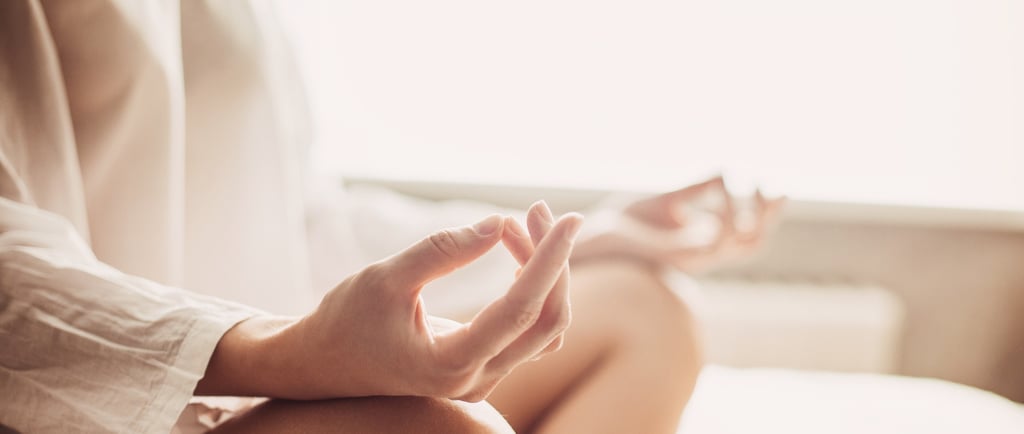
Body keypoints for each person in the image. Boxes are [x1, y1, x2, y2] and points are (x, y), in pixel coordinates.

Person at [0, 1, 783, 433]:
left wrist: (570, 240)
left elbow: (294, 212)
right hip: (100, 409)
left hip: (245, 376)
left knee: (648, 311)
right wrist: (280, 352)